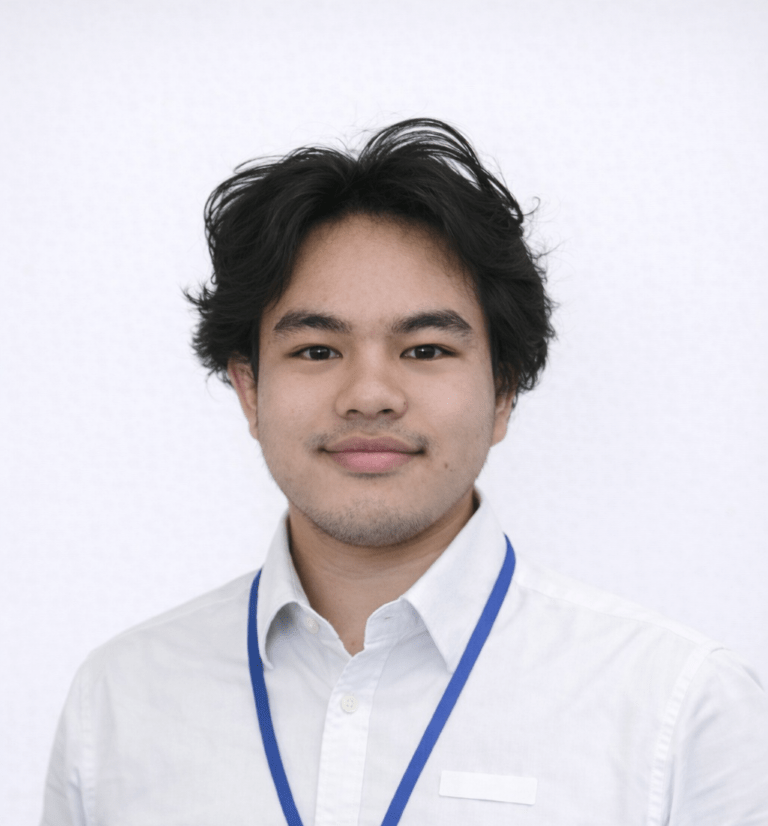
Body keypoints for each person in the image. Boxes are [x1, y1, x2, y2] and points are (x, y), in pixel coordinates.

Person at [41, 119, 768, 825]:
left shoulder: (679, 707)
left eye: (425, 350)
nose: (369, 396)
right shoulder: (119, 701)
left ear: (504, 392)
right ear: (249, 391)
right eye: (317, 350)